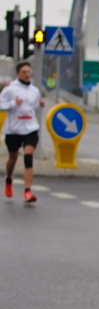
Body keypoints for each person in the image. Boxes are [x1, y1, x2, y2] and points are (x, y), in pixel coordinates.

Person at [0, 61, 46, 204]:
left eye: (28, 72)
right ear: (17, 74)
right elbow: (1, 105)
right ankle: (8, 178)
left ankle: (27, 191)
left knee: (28, 155)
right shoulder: (10, 89)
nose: (27, 75)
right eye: (24, 72)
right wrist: (13, 103)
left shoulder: (35, 90)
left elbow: (35, 109)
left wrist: (40, 106)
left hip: (31, 128)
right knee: (13, 158)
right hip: (14, 129)